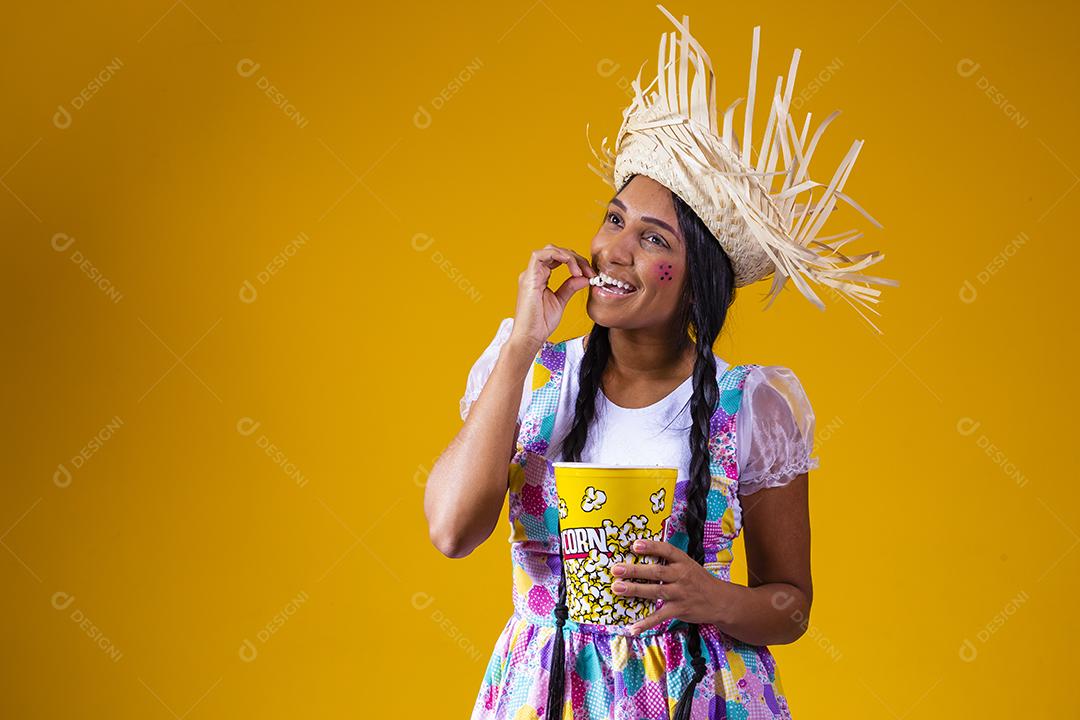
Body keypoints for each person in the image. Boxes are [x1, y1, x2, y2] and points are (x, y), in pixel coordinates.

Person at [425, 6, 896, 719]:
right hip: (548, 697)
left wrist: (714, 599)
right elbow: (452, 531)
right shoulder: (531, 372)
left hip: (699, 699)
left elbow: (790, 607)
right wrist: (523, 345)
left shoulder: (751, 407)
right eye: (614, 220)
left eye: (653, 239)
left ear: (696, 280)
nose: (614, 249)